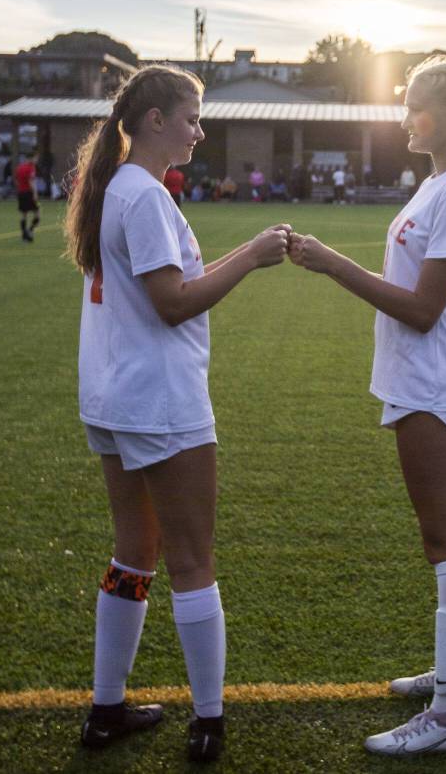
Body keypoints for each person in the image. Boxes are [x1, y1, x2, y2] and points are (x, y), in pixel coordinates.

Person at [63, 63, 289, 763]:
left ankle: (107, 707)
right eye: (192, 117)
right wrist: (250, 256)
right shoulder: (144, 196)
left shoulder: (121, 188)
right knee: (192, 560)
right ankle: (209, 719)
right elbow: (174, 301)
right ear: (155, 120)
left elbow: (169, 285)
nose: (200, 128)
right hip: (158, 399)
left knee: (135, 552)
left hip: (114, 394)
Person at [288, 54, 446, 757]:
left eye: (417, 105)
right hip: (425, 376)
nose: (405, 116)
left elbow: (422, 308)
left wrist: (331, 264)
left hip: (433, 378)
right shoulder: (444, 183)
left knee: (444, 537)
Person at [14, 153, 40, 242]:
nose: (36, 160)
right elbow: (31, 182)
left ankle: (24, 235)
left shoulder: (19, 168)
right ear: (31, 158)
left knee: (24, 215)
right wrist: (35, 193)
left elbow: (17, 181)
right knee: (37, 214)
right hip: (29, 193)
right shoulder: (31, 168)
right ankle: (30, 231)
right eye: (36, 158)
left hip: (21, 193)